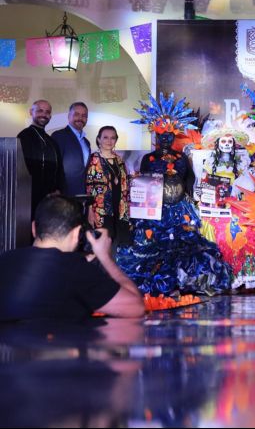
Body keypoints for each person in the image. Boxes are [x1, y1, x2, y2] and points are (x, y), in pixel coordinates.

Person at [117, 93, 232, 296]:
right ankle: (162, 283)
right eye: (161, 135)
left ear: (174, 135)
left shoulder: (181, 158)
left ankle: (185, 281)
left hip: (180, 209)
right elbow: (144, 185)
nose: (165, 138)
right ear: (156, 134)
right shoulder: (148, 158)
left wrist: (194, 200)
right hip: (156, 210)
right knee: (155, 246)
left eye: (169, 135)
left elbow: (189, 181)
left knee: (185, 244)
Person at [0, 195, 144, 321]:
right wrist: (105, 257)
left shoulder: (4, 260)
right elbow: (136, 307)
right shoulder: (76, 268)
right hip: (56, 349)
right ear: (77, 234)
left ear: (33, 228)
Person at [17, 99, 65, 219]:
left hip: (51, 199)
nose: (44, 114)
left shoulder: (52, 141)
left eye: (47, 112)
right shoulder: (24, 136)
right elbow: (23, 169)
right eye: (40, 111)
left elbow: (59, 169)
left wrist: (58, 190)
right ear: (31, 112)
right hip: (31, 199)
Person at [85, 126, 130, 246]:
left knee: (118, 242)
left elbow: (123, 182)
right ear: (98, 139)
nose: (109, 141)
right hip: (101, 208)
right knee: (103, 243)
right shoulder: (93, 159)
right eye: (105, 137)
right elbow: (89, 187)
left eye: (113, 138)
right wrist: (89, 211)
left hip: (120, 207)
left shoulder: (119, 160)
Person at [51, 102, 91, 196]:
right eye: (76, 114)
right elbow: (53, 165)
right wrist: (56, 189)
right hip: (63, 193)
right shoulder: (59, 136)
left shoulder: (86, 142)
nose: (80, 118)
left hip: (82, 194)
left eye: (84, 115)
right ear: (69, 116)